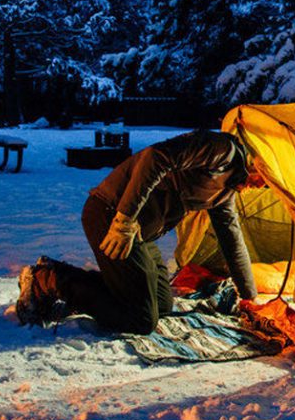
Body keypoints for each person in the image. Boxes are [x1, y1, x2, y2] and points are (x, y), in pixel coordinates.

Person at [15, 129, 261, 334]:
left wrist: (249, 296)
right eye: (264, 176)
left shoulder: (225, 192)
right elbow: (156, 157)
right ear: (256, 159)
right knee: (141, 319)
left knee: (162, 306)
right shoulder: (222, 151)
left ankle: (91, 290)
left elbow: (231, 237)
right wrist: (124, 219)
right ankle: (47, 279)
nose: (262, 184)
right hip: (111, 215)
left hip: (141, 234)